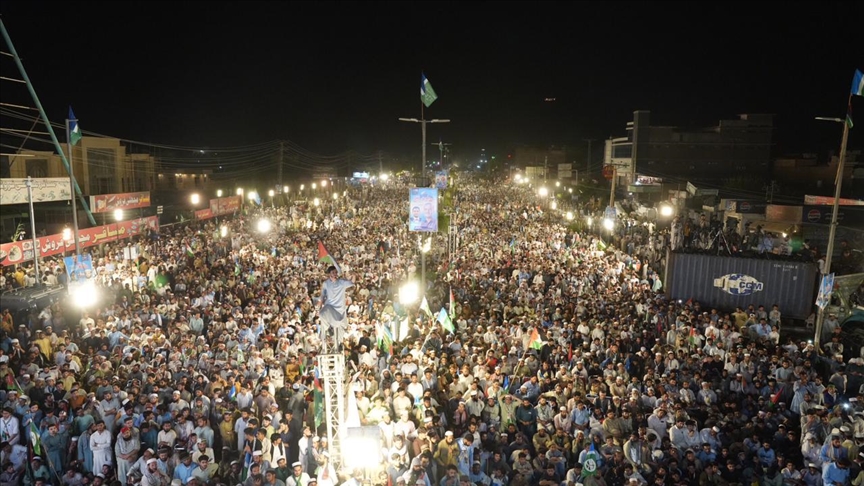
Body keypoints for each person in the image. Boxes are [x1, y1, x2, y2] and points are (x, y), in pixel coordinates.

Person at [318, 265, 353, 351]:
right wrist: (319, 306)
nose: (335, 274)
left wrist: (353, 274)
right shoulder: (326, 283)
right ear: (329, 274)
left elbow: (352, 282)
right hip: (329, 306)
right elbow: (322, 296)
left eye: (336, 272)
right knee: (321, 313)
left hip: (339, 310)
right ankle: (326, 331)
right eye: (333, 272)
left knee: (336, 323)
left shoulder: (342, 282)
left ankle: (332, 334)